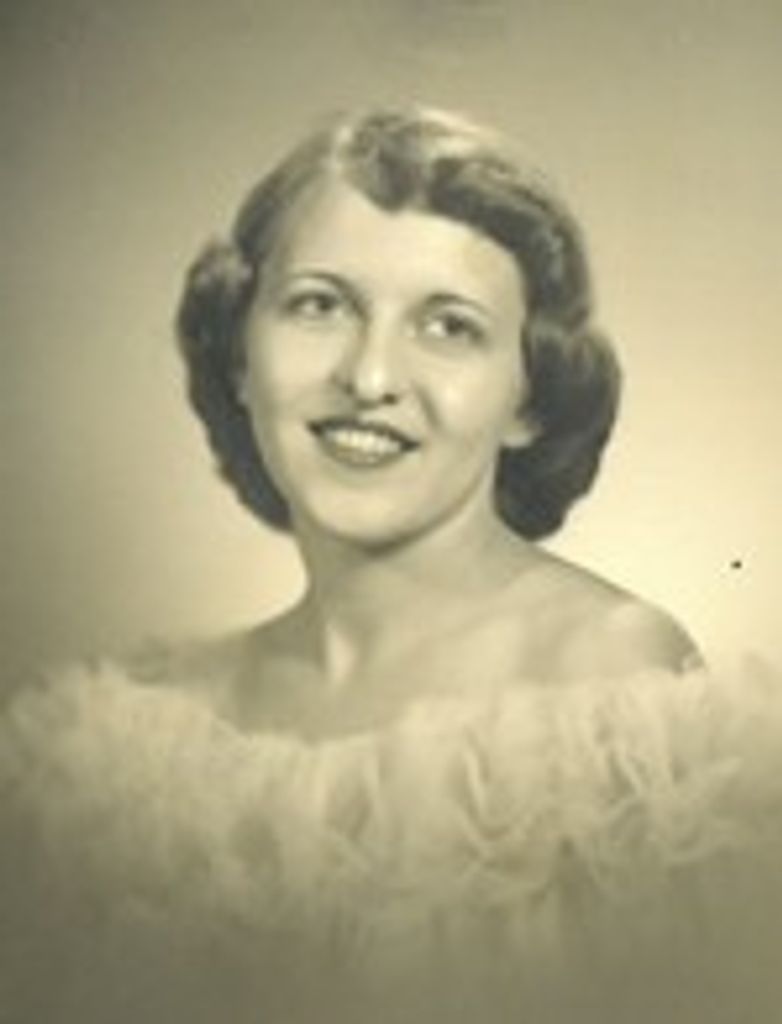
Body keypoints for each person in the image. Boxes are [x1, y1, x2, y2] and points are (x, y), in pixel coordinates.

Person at [2, 107, 781, 1024]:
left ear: (528, 396)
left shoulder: (611, 692)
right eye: (320, 305)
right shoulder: (125, 747)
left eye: (448, 326)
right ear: (241, 355)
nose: (369, 378)